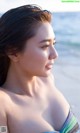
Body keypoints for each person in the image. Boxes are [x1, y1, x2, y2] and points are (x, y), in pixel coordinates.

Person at [0, 4, 79, 133]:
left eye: (54, 44)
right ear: (13, 52)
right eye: (44, 46)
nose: (55, 54)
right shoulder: (3, 103)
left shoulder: (48, 81)